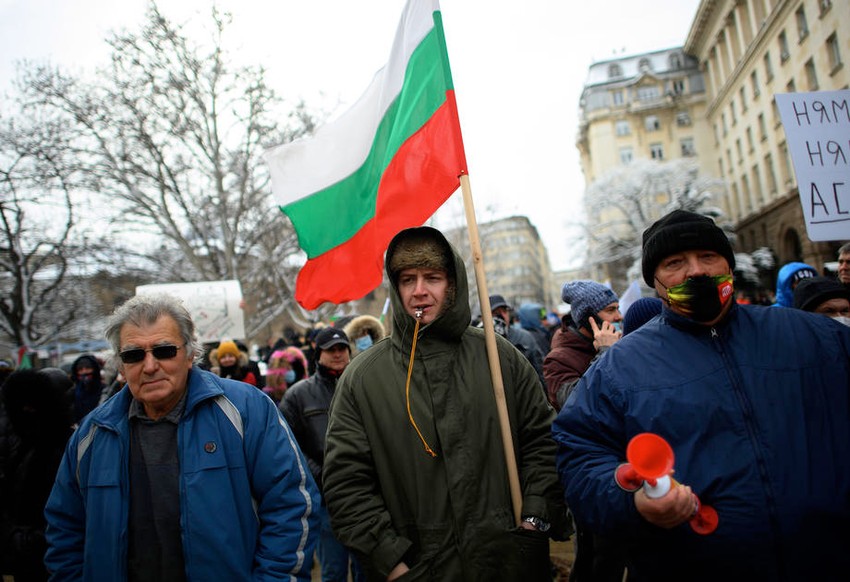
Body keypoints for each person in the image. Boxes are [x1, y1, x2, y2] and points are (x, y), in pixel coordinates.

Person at [552, 209, 850, 580]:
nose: (695, 271)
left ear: (728, 265)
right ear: (655, 281)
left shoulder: (817, 339)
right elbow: (580, 459)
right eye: (675, 263)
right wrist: (632, 501)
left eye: (707, 256)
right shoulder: (618, 369)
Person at [323, 226, 567, 582]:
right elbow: (347, 484)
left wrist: (534, 519)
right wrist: (393, 564)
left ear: (452, 285)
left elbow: (543, 442)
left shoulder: (498, 356)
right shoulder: (362, 378)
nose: (419, 291)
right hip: (419, 570)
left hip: (509, 563)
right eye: (408, 279)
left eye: (432, 278)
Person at [44, 293, 321, 580]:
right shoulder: (93, 433)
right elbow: (64, 530)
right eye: (134, 355)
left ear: (190, 355)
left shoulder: (247, 410)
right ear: (121, 366)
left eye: (164, 351)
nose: (150, 366)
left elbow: (292, 505)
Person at [280, 327, 364, 582]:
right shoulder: (298, 395)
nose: (337, 354)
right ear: (318, 354)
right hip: (325, 499)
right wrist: (320, 475)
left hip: (363, 497)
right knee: (333, 570)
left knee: (366, 570)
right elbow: (289, 446)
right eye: (331, 350)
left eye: (342, 348)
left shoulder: (363, 385)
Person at [1, 368, 74, 581]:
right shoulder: (20, 446)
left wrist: (22, 540)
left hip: (55, 558)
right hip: (25, 556)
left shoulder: (66, 447)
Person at [544, 280, 622, 411]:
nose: (619, 317)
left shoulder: (618, 343)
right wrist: (604, 353)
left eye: (618, 309)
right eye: (610, 310)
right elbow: (573, 403)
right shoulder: (557, 360)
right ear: (587, 317)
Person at [486, 294, 546, 390]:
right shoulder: (482, 340)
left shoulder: (525, 337)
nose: (502, 316)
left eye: (504, 311)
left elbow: (540, 369)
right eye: (496, 313)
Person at [68, 354, 105, 424]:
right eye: (80, 369)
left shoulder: (105, 390)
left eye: (88, 368)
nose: (84, 372)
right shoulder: (73, 393)